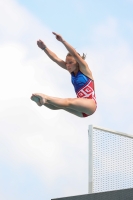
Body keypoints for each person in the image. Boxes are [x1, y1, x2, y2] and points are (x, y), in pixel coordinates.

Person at [31, 32, 97, 118]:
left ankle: (44, 96)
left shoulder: (85, 69)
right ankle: (42, 102)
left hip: (90, 105)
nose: (67, 65)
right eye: (66, 63)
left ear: (77, 63)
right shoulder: (71, 71)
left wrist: (62, 41)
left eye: (70, 63)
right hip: (81, 112)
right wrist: (44, 48)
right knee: (59, 106)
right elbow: (56, 59)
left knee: (68, 101)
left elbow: (74, 54)